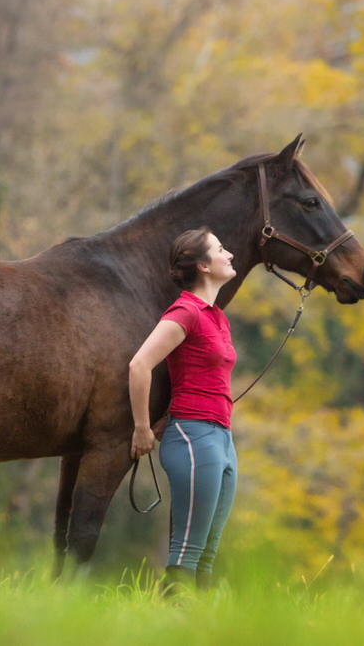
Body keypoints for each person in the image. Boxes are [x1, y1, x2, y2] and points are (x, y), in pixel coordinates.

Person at [128, 226, 238, 592]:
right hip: (193, 436)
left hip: (222, 438)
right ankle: (169, 626)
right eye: (220, 249)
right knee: (188, 552)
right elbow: (139, 365)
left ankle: (201, 630)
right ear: (204, 266)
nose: (230, 255)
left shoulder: (216, 316)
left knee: (207, 554)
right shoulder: (186, 311)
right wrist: (142, 428)